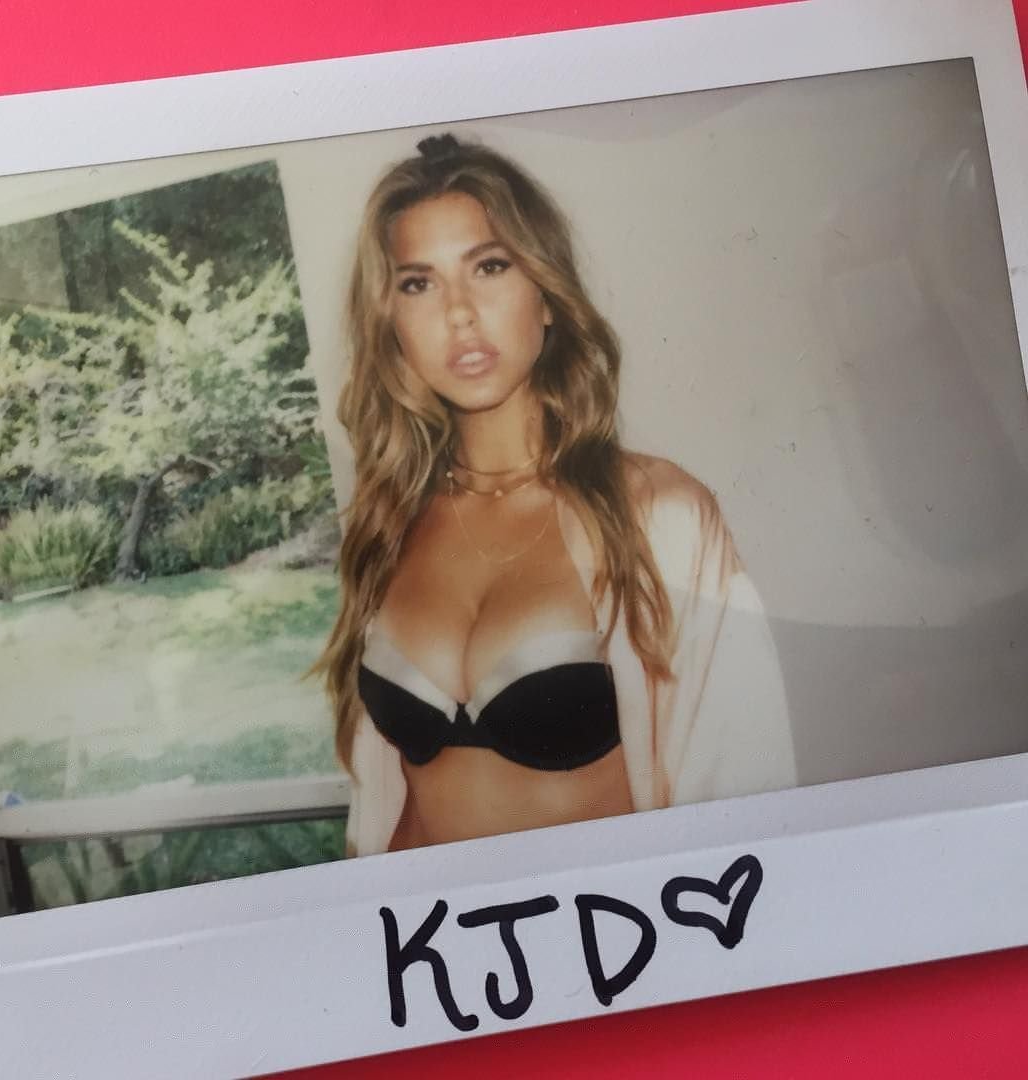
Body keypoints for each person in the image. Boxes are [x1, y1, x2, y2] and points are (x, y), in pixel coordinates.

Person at [317, 133, 796, 857]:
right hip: (431, 926)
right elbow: (377, 806)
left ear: (545, 295)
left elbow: (743, 789)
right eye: (419, 283)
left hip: (603, 924)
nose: (459, 313)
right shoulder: (391, 524)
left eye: (489, 266)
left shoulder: (659, 515)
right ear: (392, 325)